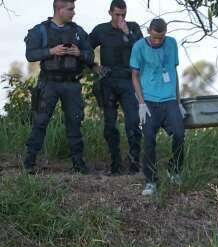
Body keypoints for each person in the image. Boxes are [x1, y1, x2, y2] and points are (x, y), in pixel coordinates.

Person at [23, 0, 94, 174]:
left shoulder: (78, 31)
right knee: (40, 123)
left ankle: (78, 164)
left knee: (75, 124)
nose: (74, 12)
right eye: (71, 9)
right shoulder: (41, 30)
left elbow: (90, 55)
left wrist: (79, 53)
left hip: (72, 84)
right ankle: (29, 163)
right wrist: (51, 51)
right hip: (48, 83)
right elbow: (30, 55)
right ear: (59, 9)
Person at [130, 18, 186, 196]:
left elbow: (173, 72)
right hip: (149, 101)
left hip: (169, 99)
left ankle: (174, 170)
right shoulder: (139, 47)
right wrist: (141, 103)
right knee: (148, 140)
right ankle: (151, 181)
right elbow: (134, 76)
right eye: (154, 37)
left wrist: (178, 101)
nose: (157, 41)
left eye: (161, 38)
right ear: (149, 31)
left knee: (179, 133)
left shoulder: (171, 44)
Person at [89, 0, 144, 175]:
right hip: (109, 80)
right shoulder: (101, 30)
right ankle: (115, 164)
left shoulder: (133, 27)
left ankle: (134, 161)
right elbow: (85, 48)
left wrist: (127, 32)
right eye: (117, 14)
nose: (120, 18)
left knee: (133, 122)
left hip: (129, 80)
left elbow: (143, 50)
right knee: (110, 125)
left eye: (123, 14)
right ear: (110, 13)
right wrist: (94, 66)